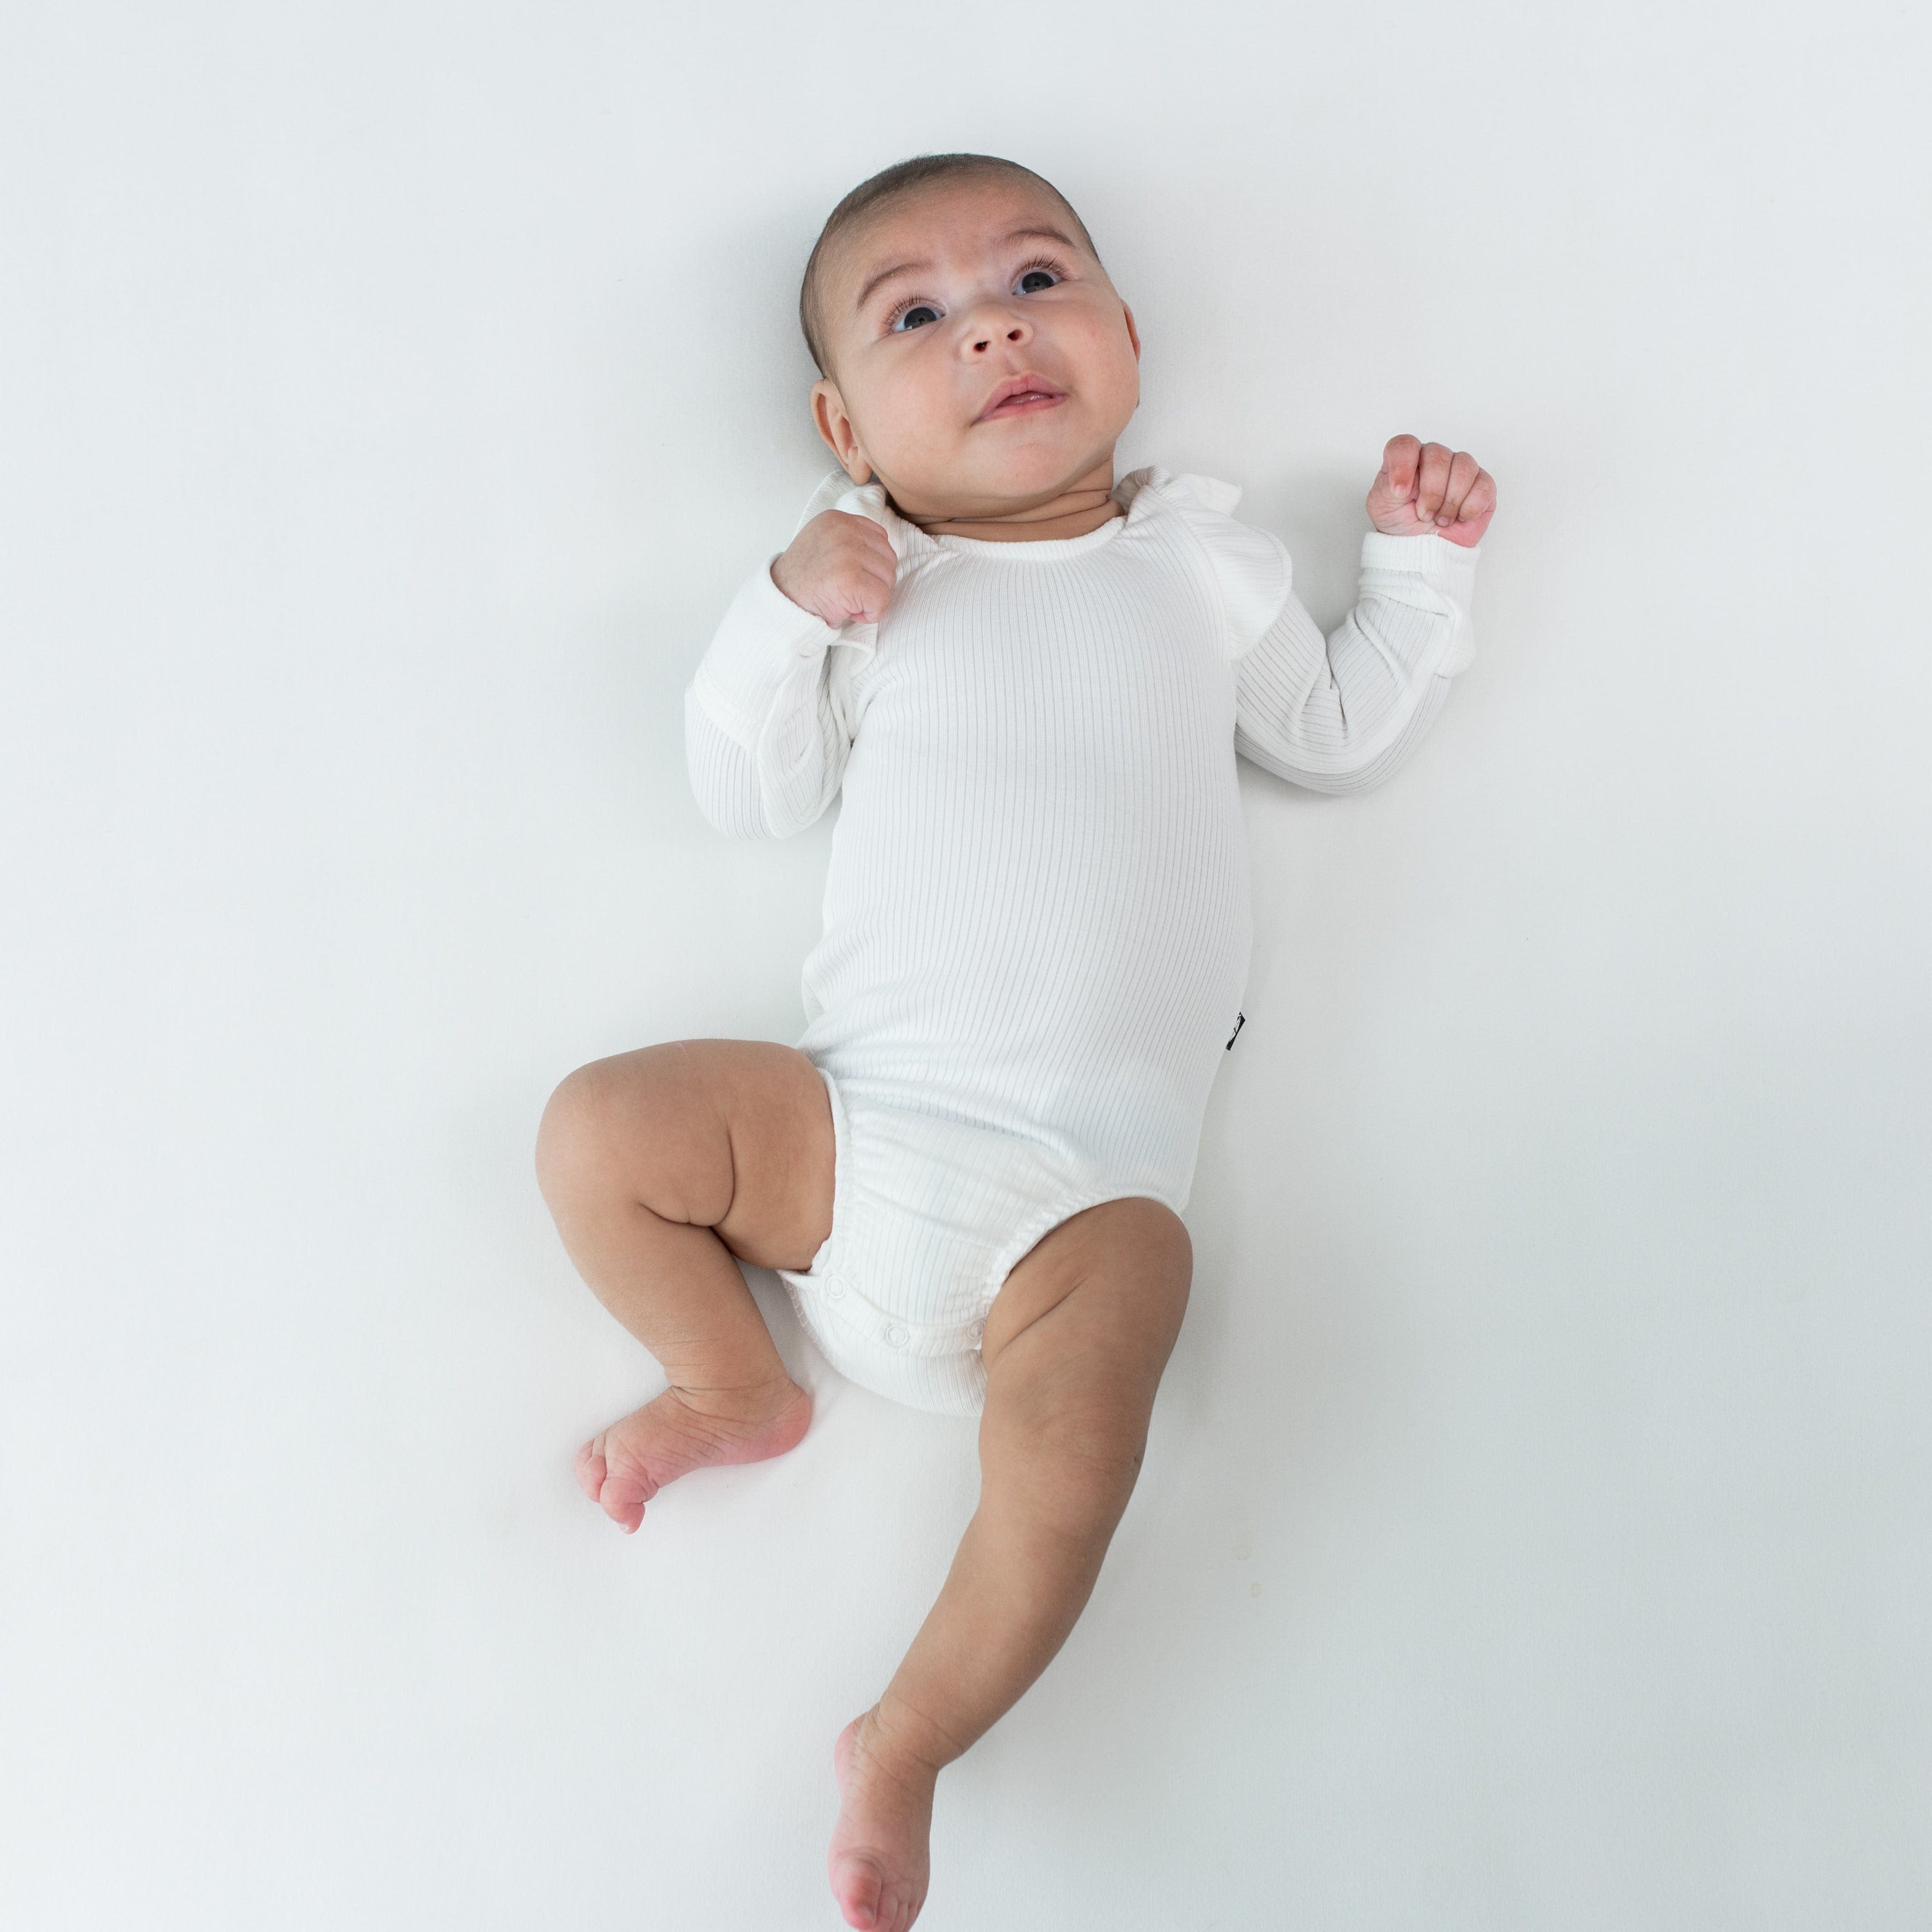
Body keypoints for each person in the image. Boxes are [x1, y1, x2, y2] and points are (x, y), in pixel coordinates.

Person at [535, 150, 1497, 1932]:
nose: (993, 330)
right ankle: (733, 1383)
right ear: (847, 426)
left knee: (1090, 1426)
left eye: (1037, 283)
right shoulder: (879, 584)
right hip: (857, 1135)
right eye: (921, 317)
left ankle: (908, 1740)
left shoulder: (1201, 566)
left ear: (1126, 338)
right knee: (599, 1131)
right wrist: (779, 604)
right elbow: (747, 793)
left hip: (1086, 1208)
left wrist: (1419, 569)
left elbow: (1337, 732)